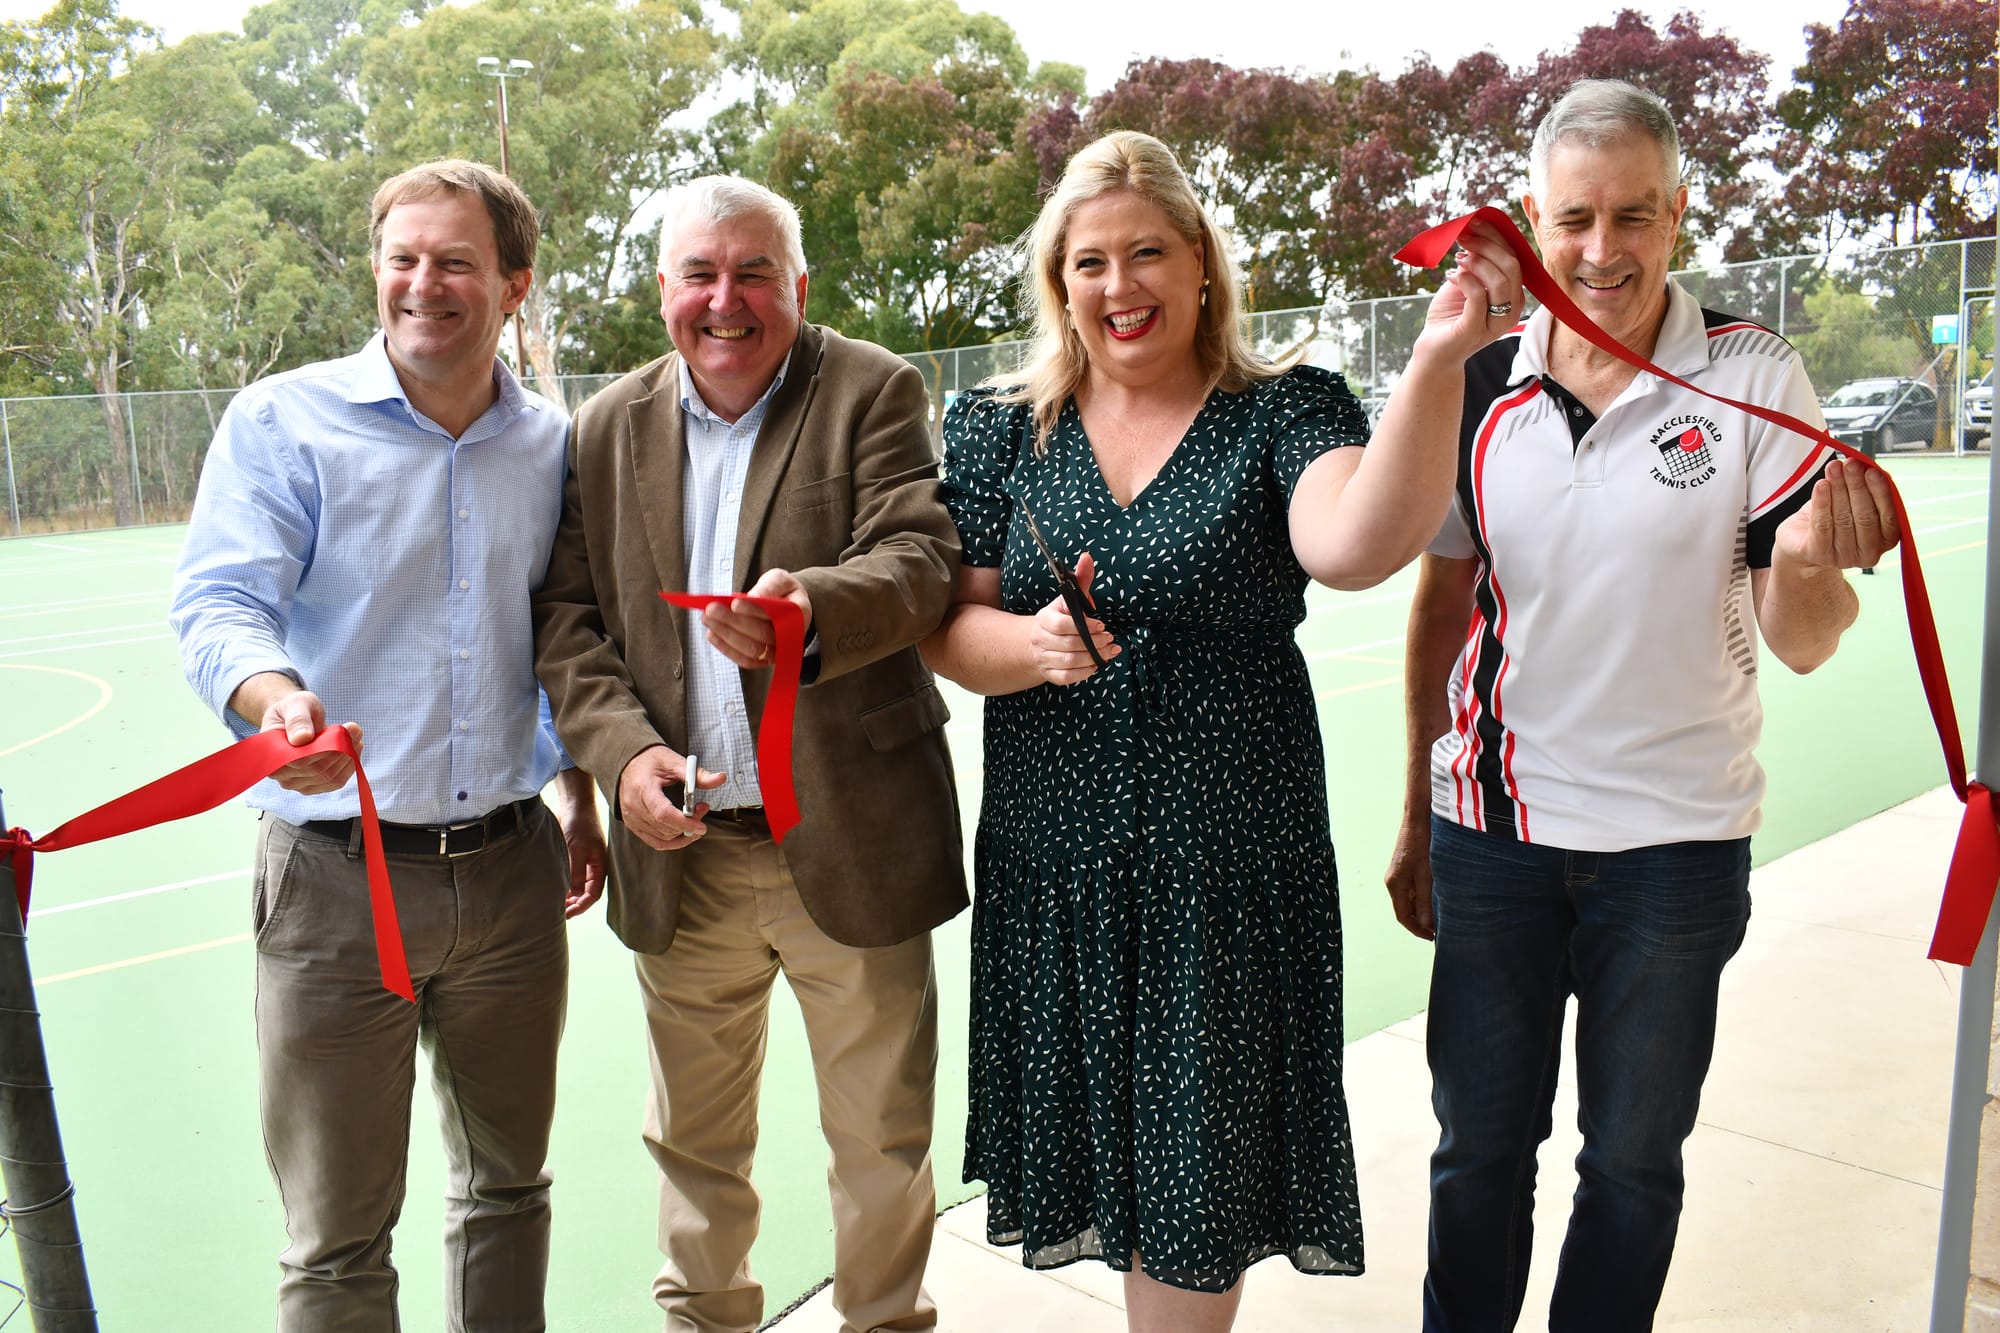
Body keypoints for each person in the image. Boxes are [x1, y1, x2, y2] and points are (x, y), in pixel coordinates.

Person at [918, 129, 1523, 1333]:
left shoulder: (1284, 408)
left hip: (1227, 865)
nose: (1118, 286)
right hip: (1061, 861)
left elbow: (1351, 546)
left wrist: (1441, 359)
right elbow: (949, 631)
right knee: (1112, 1173)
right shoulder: (997, 426)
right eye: (1088, 263)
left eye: (1146, 253)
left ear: (1200, 264)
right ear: (1058, 284)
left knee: (1198, 1182)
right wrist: (1038, 649)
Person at [1385, 80, 1902, 1332]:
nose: (1600, 251)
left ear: (1677, 213)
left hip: (1672, 852)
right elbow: (1439, 607)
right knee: (1473, 1156)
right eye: (1572, 220)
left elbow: (1806, 641)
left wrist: (1808, 562)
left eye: (1631, 216)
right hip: (1494, 837)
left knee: (1628, 1164)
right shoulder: (1478, 382)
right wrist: (1415, 809)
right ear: (1530, 219)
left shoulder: (1750, 373)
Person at [169, 158, 607, 1330]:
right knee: (334, 1242)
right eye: (402, 257)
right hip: (330, 883)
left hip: (513, 876)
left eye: (456, 260)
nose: (424, 283)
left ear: (513, 285)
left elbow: (563, 633)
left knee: (508, 1192)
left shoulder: (554, 445)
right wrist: (273, 703)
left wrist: (577, 789)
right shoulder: (281, 422)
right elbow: (219, 603)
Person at [530, 174, 968, 1333]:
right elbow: (568, 625)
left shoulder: (873, 388)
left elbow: (918, 556)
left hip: (848, 838)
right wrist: (622, 760)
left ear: (797, 286)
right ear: (662, 289)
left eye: (753, 272)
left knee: (879, 1138)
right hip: (685, 854)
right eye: (699, 273)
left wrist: (808, 610)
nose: (725, 300)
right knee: (693, 1143)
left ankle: (882, 1320)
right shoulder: (604, 426)